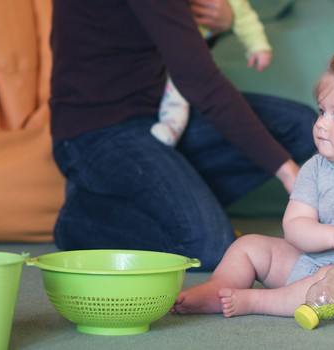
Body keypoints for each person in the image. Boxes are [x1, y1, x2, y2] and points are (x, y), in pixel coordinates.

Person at [48, 0, 316, 271]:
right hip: (97, 130)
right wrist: (286, 171)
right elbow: (200, 82)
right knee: (208, 248)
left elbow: (178, 48)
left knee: (302, 127)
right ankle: (78, 220)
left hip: (164, 112)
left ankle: (180, 203)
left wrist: (222, 23)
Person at [172, 48, 334, 317]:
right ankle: (218, 289)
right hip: (307, 261)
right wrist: (333, 236)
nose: (321, 123)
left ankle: (259, 301)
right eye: (321, 111)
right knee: (248, 245)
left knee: (327, 278)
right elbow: (295, 228)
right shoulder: (316, 168)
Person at [152, 0, 273, 146]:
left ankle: (172, 126)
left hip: (188, 53)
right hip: (158, 47)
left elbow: (245, 17)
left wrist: (259, 47)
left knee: (179, 90)